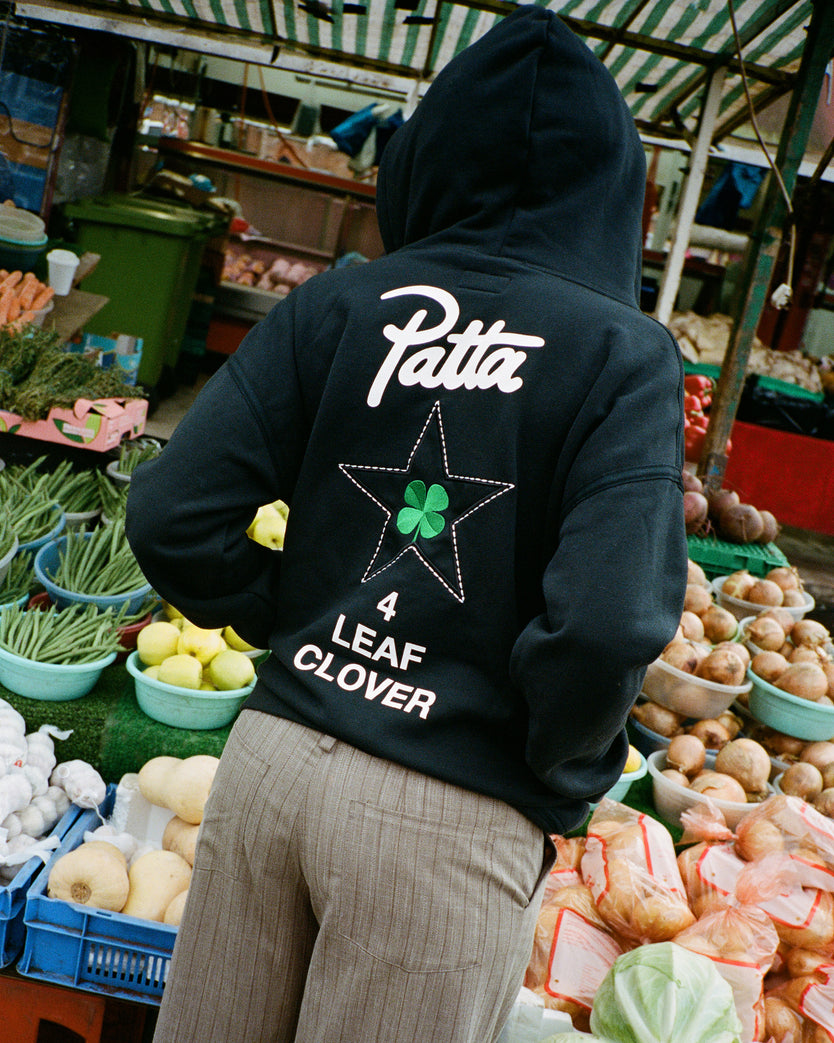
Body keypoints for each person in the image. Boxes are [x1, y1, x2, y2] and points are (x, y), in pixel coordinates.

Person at [125, 6, 687, 1041]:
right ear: (615, 186)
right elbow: (608, 622)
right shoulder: (624, 355)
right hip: (452, 813)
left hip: (273, 761)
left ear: (429, 155)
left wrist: (288, 618)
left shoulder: (343, 303)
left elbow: (170, 511)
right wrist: (551, 774)